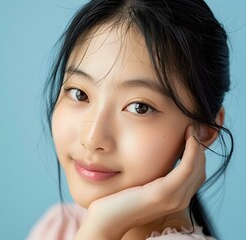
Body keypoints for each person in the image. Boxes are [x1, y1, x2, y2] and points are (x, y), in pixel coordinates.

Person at [28, 0, 234, 239]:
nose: (92, 138)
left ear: (205, 130)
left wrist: (103, 228)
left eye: (139, 107)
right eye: (79, 93)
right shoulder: (61, 226)